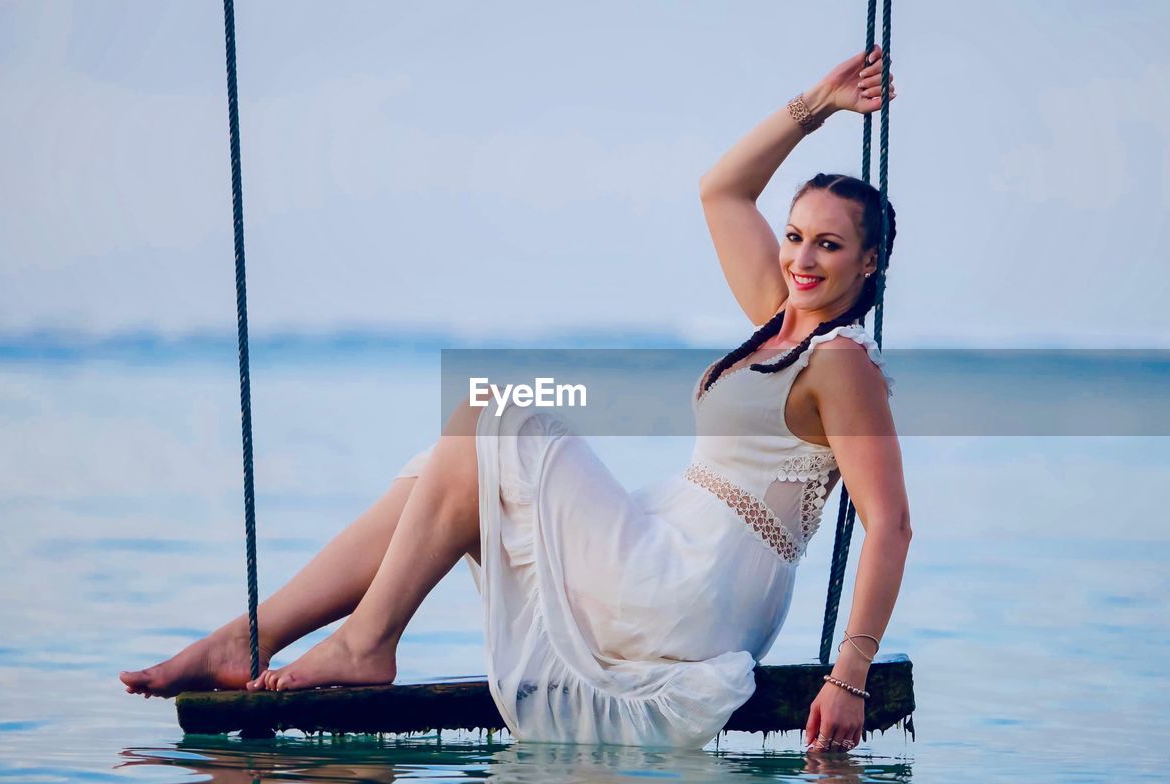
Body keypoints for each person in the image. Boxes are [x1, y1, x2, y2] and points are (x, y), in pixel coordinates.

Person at [120, 44, 907, 754]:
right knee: (451, 457)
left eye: (829, 244)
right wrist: (818, 103)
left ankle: (363, 643)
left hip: (695, 588)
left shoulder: (841, 365)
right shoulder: (778, 321)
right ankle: (251, 637)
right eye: (796, 235)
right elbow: (721, 191)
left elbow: (889, 527)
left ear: (868, 263)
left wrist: (849, 673)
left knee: (493, 415)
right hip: (675, 560)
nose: (803, 256)